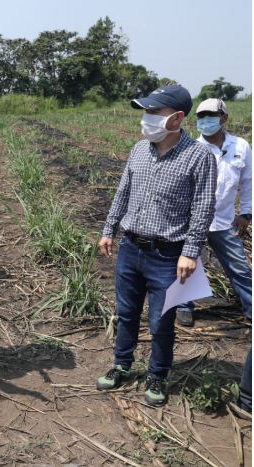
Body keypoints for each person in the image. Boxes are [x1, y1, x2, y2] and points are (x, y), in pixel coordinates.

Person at [96, 84, 217, 406]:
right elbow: (123, 192)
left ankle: (158, 375)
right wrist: (109, 229)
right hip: (131, 248)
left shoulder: (198, 157)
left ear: (177, 118)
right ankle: (121, 365)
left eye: (154, 112)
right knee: (126, 314)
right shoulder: (139, 149)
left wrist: (191, 253)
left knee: (161, 322)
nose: (146, 119)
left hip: (168, 255)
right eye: (145, 112)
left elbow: (203, 208)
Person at [174, 98, 252, 327]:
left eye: (210, 115)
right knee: (187, 263)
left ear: (224, 118)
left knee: (239, 266)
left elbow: (249, 182)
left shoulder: (240, 146)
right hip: (192, 220)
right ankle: (183, 307)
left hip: (224, 220)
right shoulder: (190, 148)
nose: (205, 120)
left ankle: (251, 305)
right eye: (201, 116)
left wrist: (247, 213)